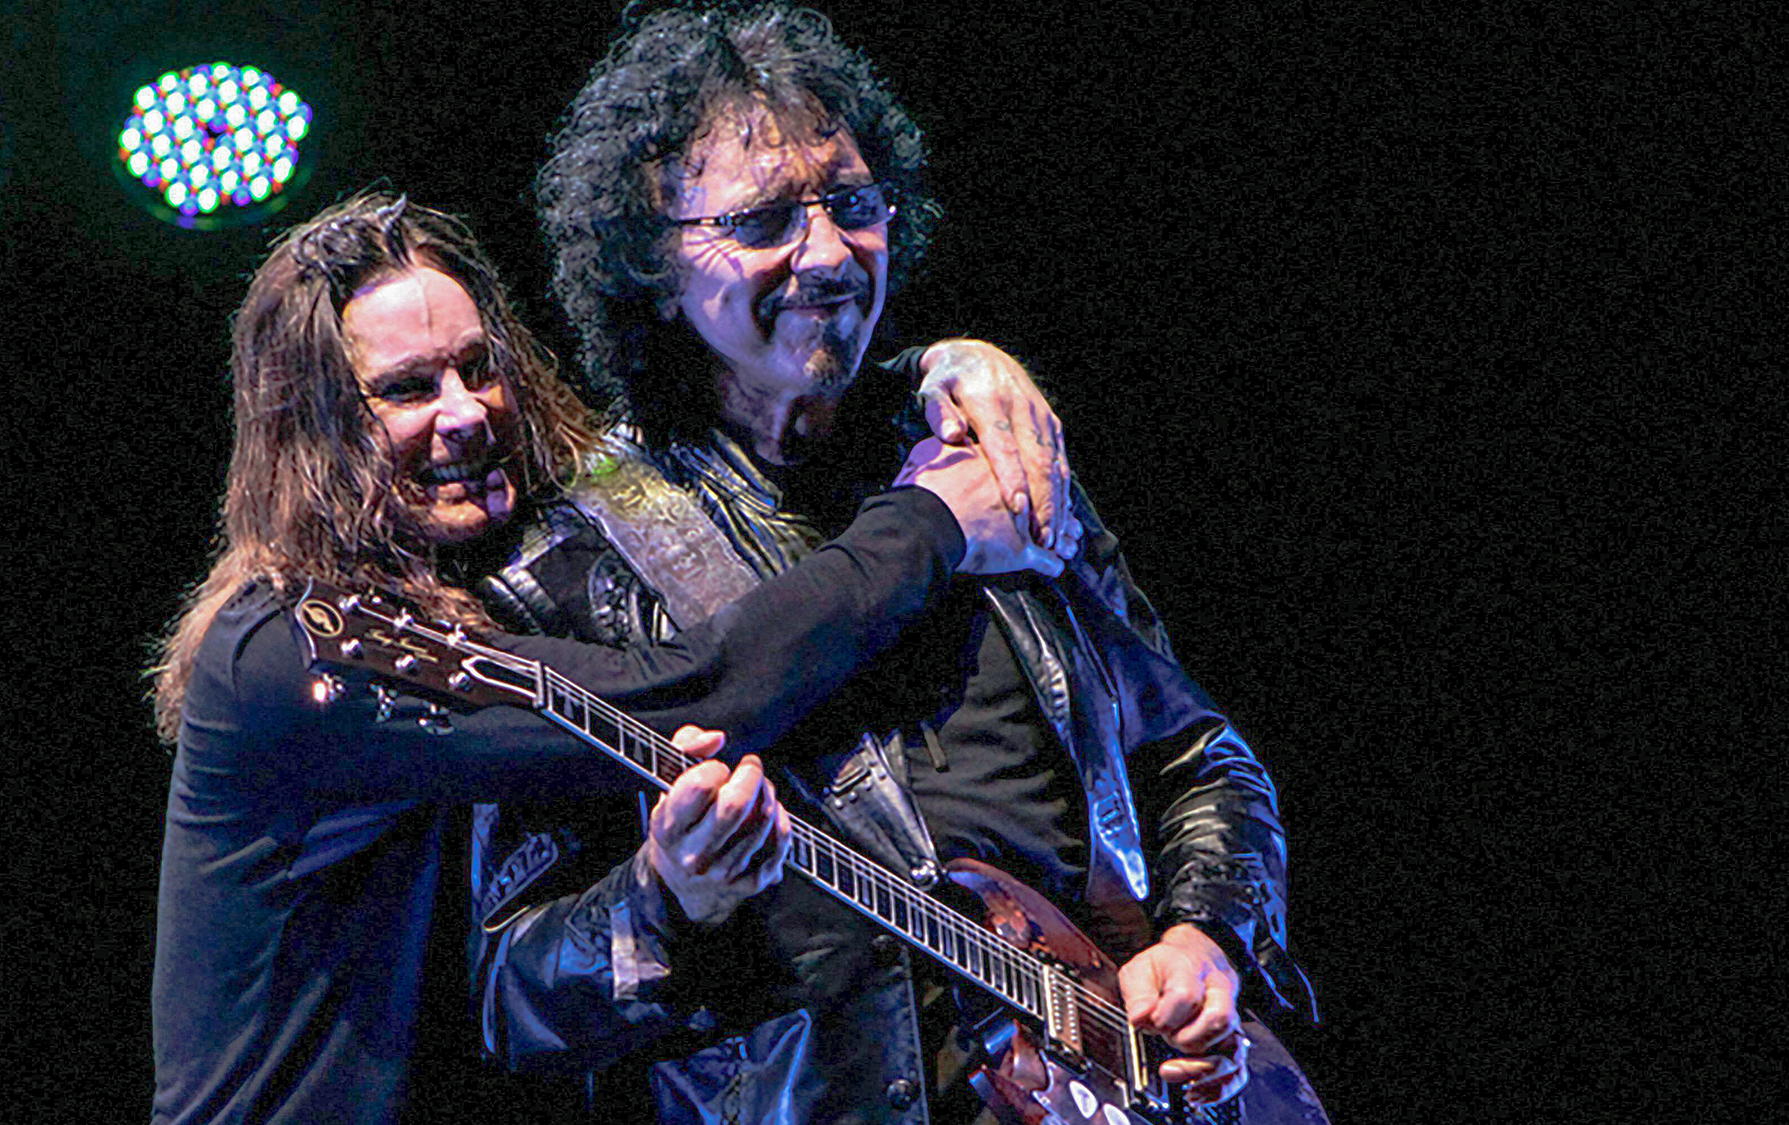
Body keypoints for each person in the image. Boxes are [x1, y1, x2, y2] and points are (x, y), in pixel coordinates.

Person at [467, 5, 1325, 1124]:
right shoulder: (573, 566)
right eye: (763, 220)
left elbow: (1201, 759)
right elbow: (514, 999)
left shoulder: (994, 455)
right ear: (652, 265)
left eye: (853, 204)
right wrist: (663, 894)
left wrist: (1205, 938)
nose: (828, 254)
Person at [144, 191, 1055, 1125]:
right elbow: (688, 692)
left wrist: (939, 372)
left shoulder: (519, 567)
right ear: (312, 431)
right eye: (409, 389)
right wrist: (928, 523)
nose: (466, 412)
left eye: (479, 367)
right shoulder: (287, 646)